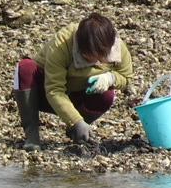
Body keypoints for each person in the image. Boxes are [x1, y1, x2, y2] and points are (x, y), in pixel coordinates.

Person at [12, 13, 133, 150]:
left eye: (100, 57)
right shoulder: (62, 44)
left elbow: (126, 77)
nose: (94, 61)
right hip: (44, 94)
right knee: (25, 68)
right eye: (90, 56)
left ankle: (77, 130)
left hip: (80, 96)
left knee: (106, 96)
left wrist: (110, 78)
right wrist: (76, 121)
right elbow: (54, 90)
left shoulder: (117, 46)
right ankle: (32, 135)